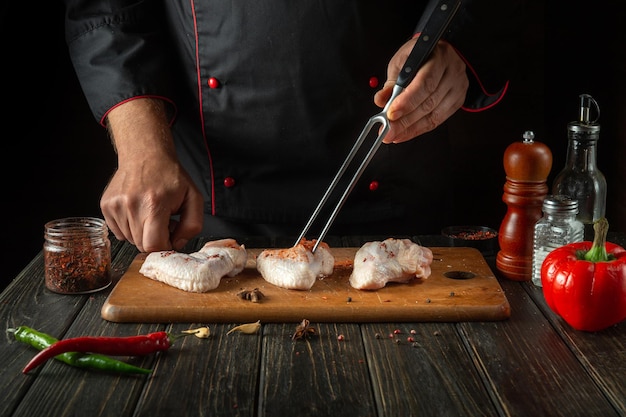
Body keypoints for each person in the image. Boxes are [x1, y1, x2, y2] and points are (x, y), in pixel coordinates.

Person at [62, 0, 522, 253]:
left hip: (397, 198)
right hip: (208, 211)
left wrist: (455, 41)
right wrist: (141, 146)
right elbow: (105, 9)